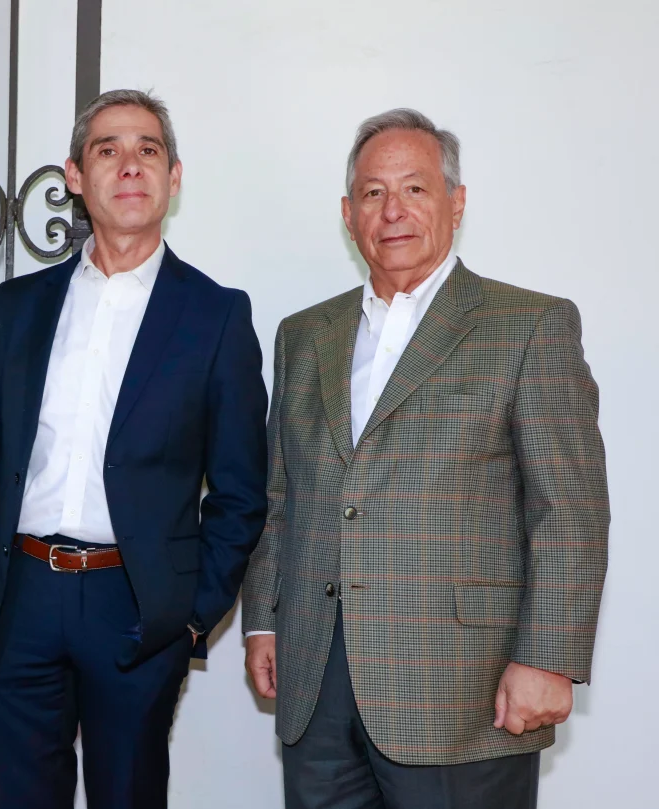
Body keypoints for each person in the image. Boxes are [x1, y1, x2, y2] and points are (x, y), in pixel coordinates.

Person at [242, 108, 609, 809]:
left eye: (415, 188)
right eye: (373, 193)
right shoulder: (304, 334)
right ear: (348, 214)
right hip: (317, 681)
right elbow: (282, 494)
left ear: (456, 203)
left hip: (465, 691)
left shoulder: (529, 325)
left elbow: (569, 509)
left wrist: (549, 659)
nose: (394, 211)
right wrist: (264, 618)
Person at [0, 89, 268, 809]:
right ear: (75, 175)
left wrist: (190, 614)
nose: (130, 165)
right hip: (19, 598)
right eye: (108, 149)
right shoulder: (18, 305)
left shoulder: (217, 315)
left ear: (173, 176)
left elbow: (242, 489)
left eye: (148, 150)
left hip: (137, 605)